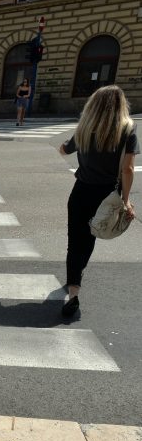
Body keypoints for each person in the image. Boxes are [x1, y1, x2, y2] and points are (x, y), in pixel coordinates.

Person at [58, 85, 138, 317]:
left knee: (75, 240)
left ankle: (73, 291)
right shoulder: (127, 130)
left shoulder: (85, 127)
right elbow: (128, 169)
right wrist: (126, 200)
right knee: (91, 235)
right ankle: (78, 274)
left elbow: (64, 150)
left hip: (81, 190)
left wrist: (69, 145)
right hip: (107, 195)